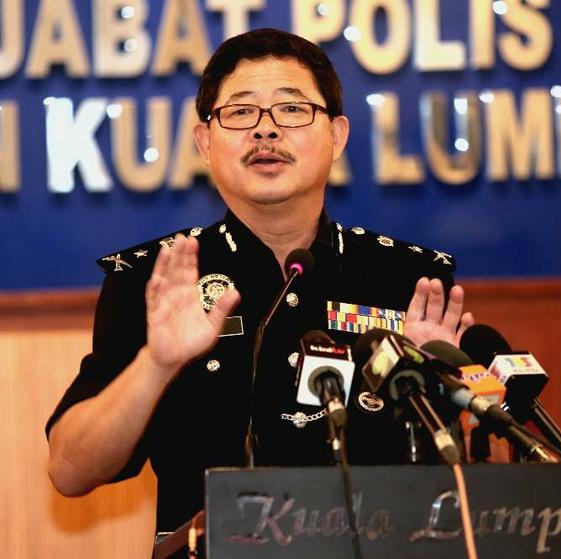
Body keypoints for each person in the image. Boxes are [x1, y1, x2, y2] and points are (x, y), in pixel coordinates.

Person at [45, 28, 475, 533]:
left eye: (292, 110)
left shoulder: (407, 280)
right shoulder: (157, 280)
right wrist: (156, 364)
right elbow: (69, 470)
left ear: (336, 136)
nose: (265, 131)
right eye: (241, 112)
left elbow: (455, 485)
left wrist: (441, 395)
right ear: (205, 142)